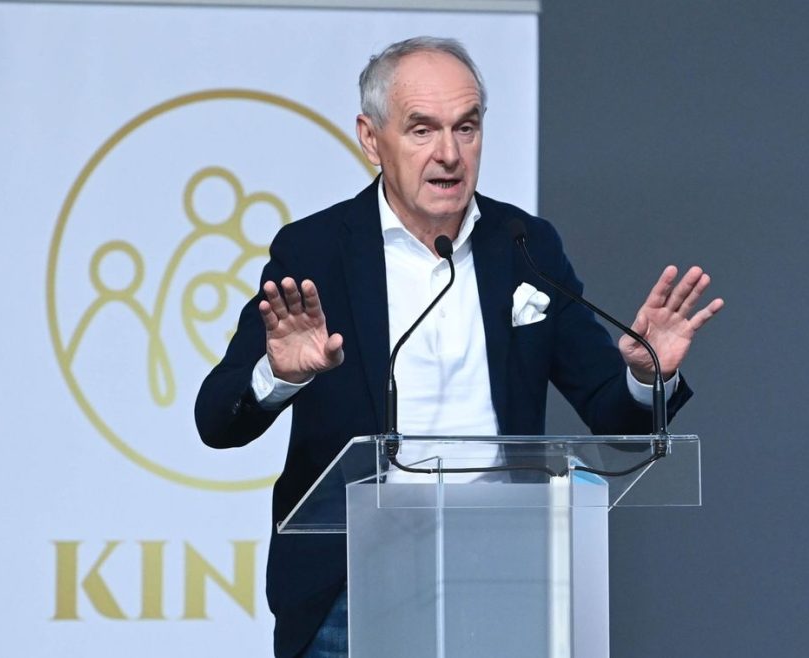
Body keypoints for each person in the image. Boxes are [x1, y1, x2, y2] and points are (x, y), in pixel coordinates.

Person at [196, 36, 723, 658]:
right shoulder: (315, 250)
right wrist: (280, 375)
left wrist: (647, 373)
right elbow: (217, 420)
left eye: (466, 128)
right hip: (349, 586)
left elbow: (615, 418)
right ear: (371, 139)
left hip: (500, 572)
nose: (449, 154)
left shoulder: (524, 245)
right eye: (422, 130)